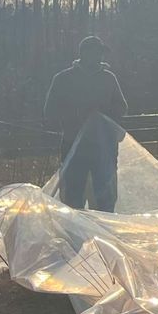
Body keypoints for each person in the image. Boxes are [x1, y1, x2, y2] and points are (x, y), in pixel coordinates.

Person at [43, 35, 128, 211]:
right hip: (73, 145)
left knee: (105, 195)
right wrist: (75, 115)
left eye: (101, 53)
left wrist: (102, 117)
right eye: (95, 52)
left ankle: (104, 232)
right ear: (84, 54)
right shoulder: (63, 79)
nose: (99, 57)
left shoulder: (109, 78)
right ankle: (75, 234)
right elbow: (50, 112)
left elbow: (122, 107)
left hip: (104, 146)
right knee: (73, 195)